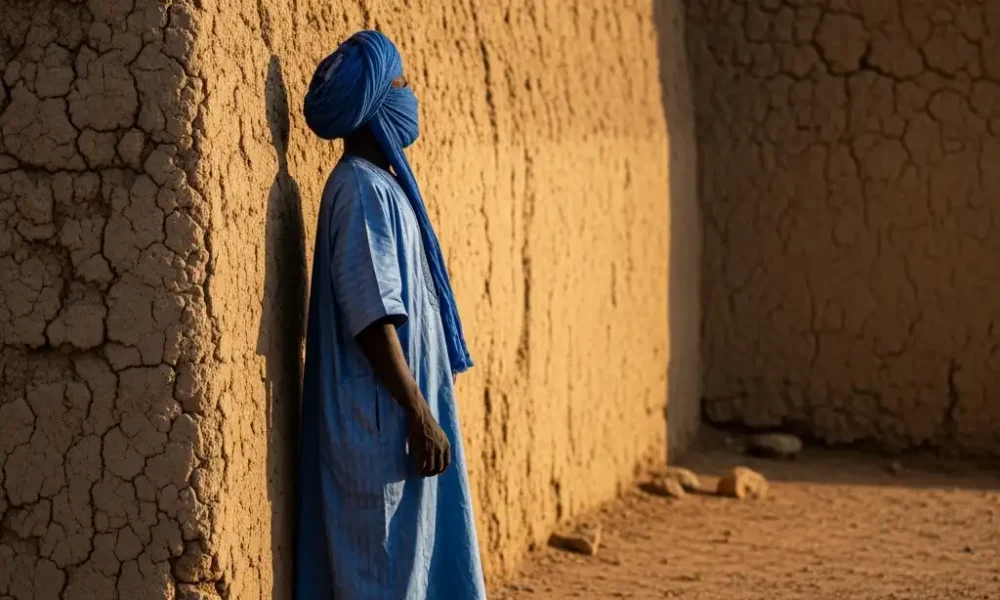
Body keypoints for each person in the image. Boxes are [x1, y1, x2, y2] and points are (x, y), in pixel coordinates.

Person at [294, 30, 487, 600]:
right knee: (380, 579)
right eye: (400, 83)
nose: (410, 93)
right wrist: (418, 411)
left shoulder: (386, 187)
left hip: (392, 426)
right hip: (377, 431)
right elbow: (372, 316)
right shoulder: (360, 190)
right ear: (375, 102)